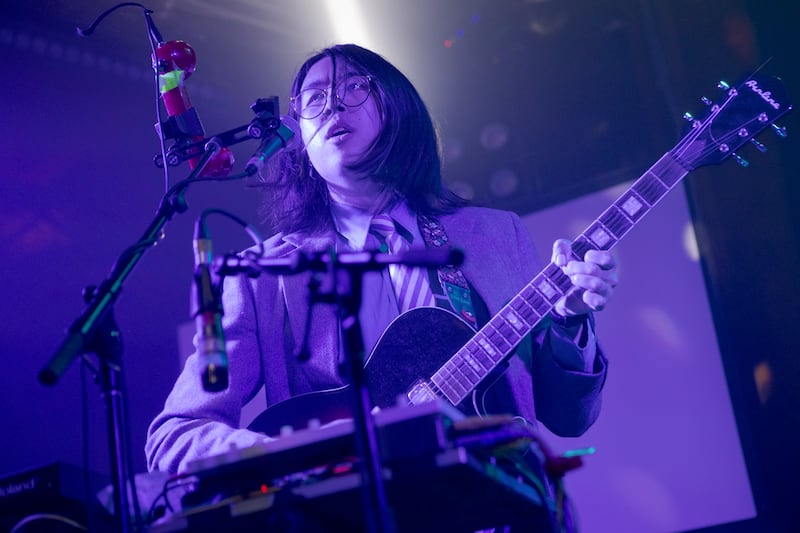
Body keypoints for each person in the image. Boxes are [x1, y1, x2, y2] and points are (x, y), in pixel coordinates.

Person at [146, 44, 617, 488]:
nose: (333, 105)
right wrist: (300, 455)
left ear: (396, 108)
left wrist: (569, 319)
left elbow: (570, 417)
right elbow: (177, 434)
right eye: (313, 98)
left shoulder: (497, 235)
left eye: (354, 86)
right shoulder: (261, 276)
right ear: (300, 140)